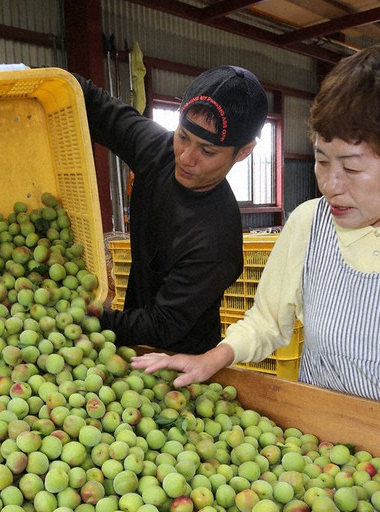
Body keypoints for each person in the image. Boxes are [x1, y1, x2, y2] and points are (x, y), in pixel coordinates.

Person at [132, 44, 380, 418]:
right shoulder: (310, 223)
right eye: (321, 160)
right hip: (318, 444)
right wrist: (211, 359)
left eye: (351, 169)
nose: (330, 185)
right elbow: (269, 320)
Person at [74, 66, 268, 354]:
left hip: (182, 358)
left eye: (207, 151)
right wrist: (36, 75)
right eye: (183, 136)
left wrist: (82, 319)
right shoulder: (161, 151)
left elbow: (163, 324)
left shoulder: (215, 240)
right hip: (131, 338)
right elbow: (98, 107)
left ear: (243, 152)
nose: (186, 158)